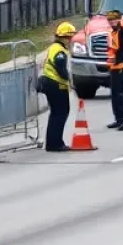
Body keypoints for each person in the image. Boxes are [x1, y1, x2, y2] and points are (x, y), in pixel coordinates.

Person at [41, 22, 76, 153]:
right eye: (69, 37)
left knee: (56, 113)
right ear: (64, 37)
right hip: (56, 84)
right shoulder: (59, 50)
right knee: (60, 113)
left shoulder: (55, 47)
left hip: (52, 83)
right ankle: (55, 144)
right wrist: (68, 80)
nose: (71, 40)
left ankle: (53, 143)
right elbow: (60, 67)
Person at [104, 9, 123, 130]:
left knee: (120, 95)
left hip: (120, 67)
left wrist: (120, 62)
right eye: (110, 20)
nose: (111, 22)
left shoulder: (122, 31)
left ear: (119, 20)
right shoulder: (112, 32)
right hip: (113, 67)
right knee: (114, 95)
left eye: (113, 20)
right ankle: (118, 119)